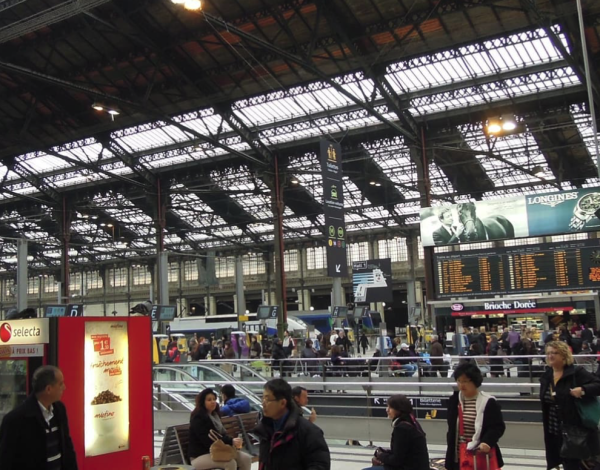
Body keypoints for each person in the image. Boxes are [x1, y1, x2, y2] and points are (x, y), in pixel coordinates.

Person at [0, 365, 78, 470]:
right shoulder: (15, 420)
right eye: (60, 384)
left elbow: (67, 447)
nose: (64, 387)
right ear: (48, 389)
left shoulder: (60, 410)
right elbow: (6, 461)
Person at [540, 341, 600, 470]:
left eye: (555, 353)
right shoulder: (547, 375)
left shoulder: (576, 372)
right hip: (555, 431)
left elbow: (597, 385)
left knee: (579, 464)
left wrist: (583, 390)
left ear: (564, 355)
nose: (551, 356)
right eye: (549, 353)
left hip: (577, 432)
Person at [254, 379, 330, 470]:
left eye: (267, 399)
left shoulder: (309, 432)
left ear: (282, 403)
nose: (263, 403)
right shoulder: (265, 430)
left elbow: (320, 465)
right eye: (263, 398)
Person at [445, 362, 505, 470]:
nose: (461, 385)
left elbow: (497, 427)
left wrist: (487, 442)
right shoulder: (454, 401)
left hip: (480, 454)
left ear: (475, 381)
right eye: (458, 381)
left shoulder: (488, 402)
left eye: (465, 381)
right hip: (458, 455)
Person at [188, 388, 252, 470]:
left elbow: (221, 436)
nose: (213, 402)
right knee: (230, 463)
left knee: (246, 459)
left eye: (214, 399)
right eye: (209, 400)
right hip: (199, 456)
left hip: (217, 451)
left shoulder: (215, 416)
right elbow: (209, 440)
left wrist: (232, 442)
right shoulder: (198, 418)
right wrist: (231, 441)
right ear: (202, 402)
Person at [363, 394, 430, 470]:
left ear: (399, 410)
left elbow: (396, 460)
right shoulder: (412, 422)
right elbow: (402, 452)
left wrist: (380, 455)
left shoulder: (402, 428)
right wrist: (385, 453)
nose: (387, 410)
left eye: (390, 407)